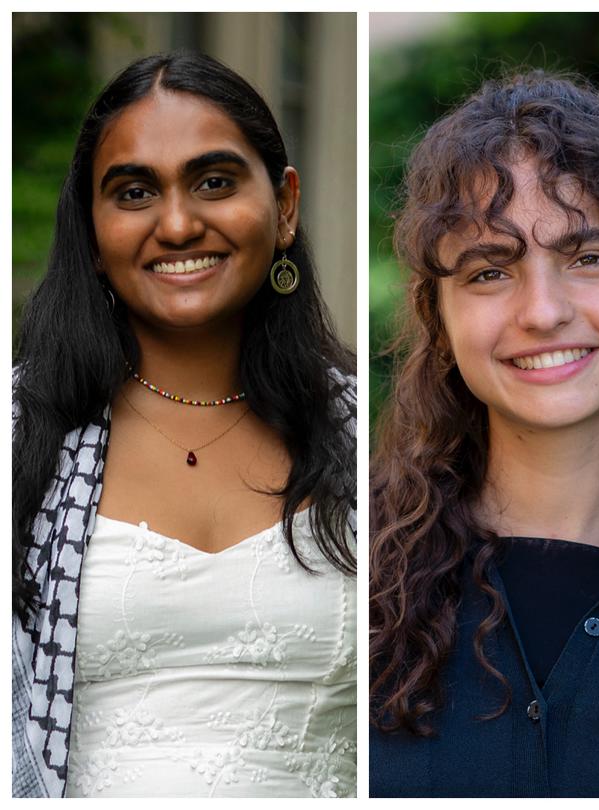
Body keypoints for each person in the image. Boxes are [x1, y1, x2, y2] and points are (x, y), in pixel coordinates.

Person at [11, 53, 358, 798]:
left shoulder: (371, 437)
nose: (177, 223)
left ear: (285, 205)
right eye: (134, 192)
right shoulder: (18, 437)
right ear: (92, 230)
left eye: (214, 182)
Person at [367, 71, 599, 798]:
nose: (544, 311)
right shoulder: (348, 576)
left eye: (587, 258)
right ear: (440, 318)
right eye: (491, 270)